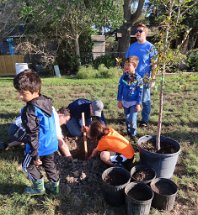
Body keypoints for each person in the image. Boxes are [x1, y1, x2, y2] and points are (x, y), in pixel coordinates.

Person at [13, 69, 59, 195]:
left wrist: (35, 155)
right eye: (19, 92)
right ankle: (55, 187)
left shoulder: (29, 111)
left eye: (23, 93)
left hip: (38, 147)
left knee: (27, 166)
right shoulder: (46, 101)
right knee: (49, 165)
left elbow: (32, 134)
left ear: (35, 91)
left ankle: (38, 188)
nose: (20, 96)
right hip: (51, 144)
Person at [6, 108, 72, 159]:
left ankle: (7, 145)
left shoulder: (50, 108)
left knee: (37, 134)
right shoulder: (54, 120)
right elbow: (62, 144)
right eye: (66, 120)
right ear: (61, 115)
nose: (65, 123)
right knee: (42, 140)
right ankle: (28, 159)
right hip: (18, 130)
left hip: (14, 127)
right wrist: (69, 158)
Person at [125, 23, 157, 127]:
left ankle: (145, 120)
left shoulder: (150, 47)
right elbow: (127, 62)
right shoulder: (132, 47)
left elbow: (154, 64)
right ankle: (131, 119)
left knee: (145, 100)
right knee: (131, 99)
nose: (137, 33)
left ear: (145, 33)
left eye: (140, 31)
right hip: (132, 78)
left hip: (145, 79)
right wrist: (125, 75)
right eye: (136, 31)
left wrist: (153, 78)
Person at [117, 56, 143, 142]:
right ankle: (128, 131)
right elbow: (120, 89)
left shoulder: (138, 79)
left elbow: (140, 91)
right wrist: (120, 100)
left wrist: (138, 103)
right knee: (127, 118)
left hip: (134, 103)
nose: (126, 67)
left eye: (129, 65)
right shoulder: (123, 77)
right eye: (125, 65)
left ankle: (133, 134)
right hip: (125, 102)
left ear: (134, 66)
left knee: (132, 119)